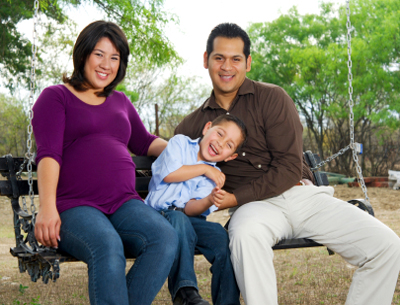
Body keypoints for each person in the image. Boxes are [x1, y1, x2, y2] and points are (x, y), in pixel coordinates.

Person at [175, 22, 400, 305]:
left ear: (248, 63)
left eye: (236, 59)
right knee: (244, 235)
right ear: (206, 59)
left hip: (302, 196)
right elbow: (173, 164)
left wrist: (233, 197)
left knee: (387, 247)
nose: (226, 66)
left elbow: (289, 168)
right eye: (219, 57)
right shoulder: (194, 125)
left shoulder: (272, 98)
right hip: (255, 209)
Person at [32, 20, 178, 305]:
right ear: (83, 54)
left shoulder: (120, 101)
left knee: (164, 237)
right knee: (107, 244)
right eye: (99, 54)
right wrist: (47, 208)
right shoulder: (56, 96)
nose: (106, 64)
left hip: (124, 202)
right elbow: (48, 154)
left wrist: (186, 149)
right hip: (75, 205)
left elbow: (145, 142)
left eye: (115, 57)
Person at [145, 114, 246, 305]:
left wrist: (209, 200)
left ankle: (228, 301)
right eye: (219, 133)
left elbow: (191, 209)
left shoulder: (216, 176)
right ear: (207, 128)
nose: (220, 143)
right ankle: (185, 294)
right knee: (178, 219)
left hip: (188, 221)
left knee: (220, 235)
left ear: (231, 156)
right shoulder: (180, 143)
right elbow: (169, 174)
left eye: (229, 145)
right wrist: (204, 169)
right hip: (158, 216)